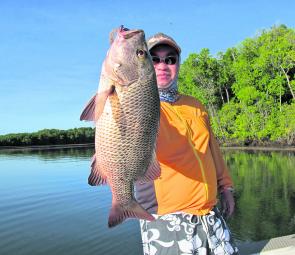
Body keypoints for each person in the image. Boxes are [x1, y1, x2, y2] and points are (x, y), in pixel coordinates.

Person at [135, 33, 239, 255]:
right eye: (154, 58)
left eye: (170, 59)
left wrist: (226, 186)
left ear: (178, 65)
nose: (163, 65)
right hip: (166, 217)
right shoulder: (139, 106)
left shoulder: (195, 105)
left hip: (210, 213)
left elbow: (212, 150)